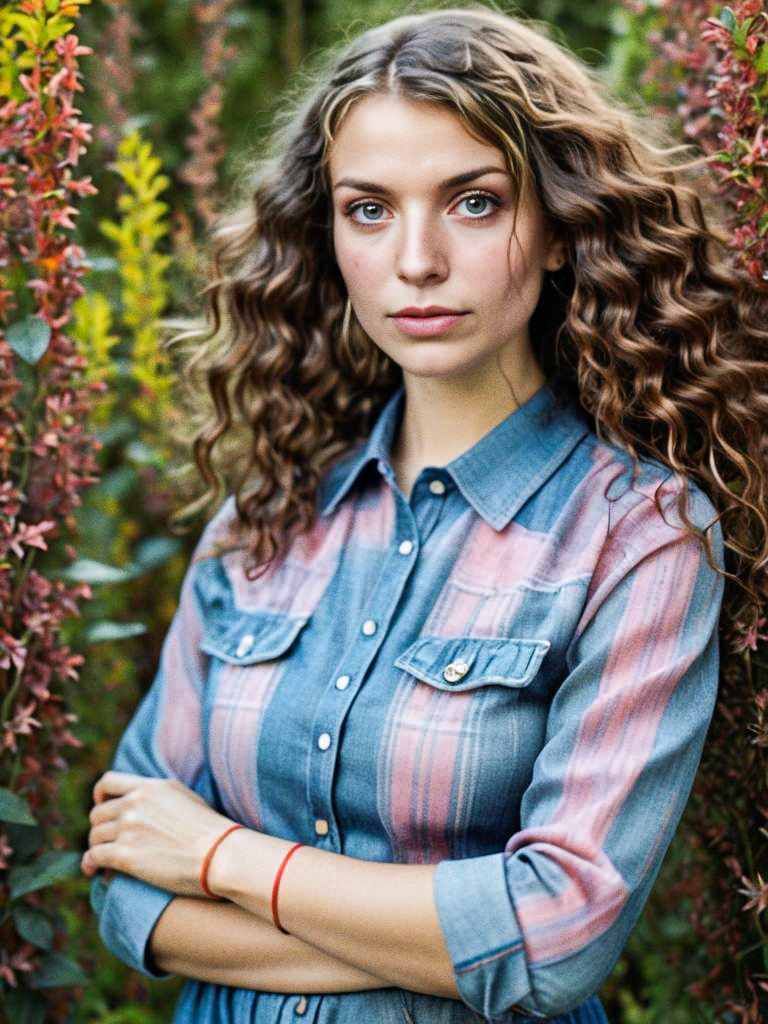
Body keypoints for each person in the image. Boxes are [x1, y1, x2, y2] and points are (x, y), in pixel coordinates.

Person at [81, 6, 768, 1023]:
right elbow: (126, 872)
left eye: (475, 203)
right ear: (327, 238)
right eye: (368, 208)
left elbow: (556, 934)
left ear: (559, 231)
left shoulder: (640, 535)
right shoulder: (264, 512)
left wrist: (222, 858)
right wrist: (439, 942)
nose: (416, 260)